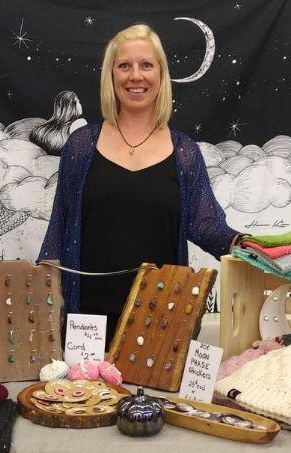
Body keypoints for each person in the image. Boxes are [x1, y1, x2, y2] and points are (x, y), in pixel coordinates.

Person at [39, 24, 242, 344]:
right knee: (87, 397)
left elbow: (206, 224)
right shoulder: (80, 146)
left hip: (161, 322)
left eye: (146, 65)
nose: (136, 75)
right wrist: (45, 308)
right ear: (111, 76)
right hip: (87, 325)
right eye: (124, 66)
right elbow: (58, 229)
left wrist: (247, 246)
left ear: (161, 76)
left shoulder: (185, 152)